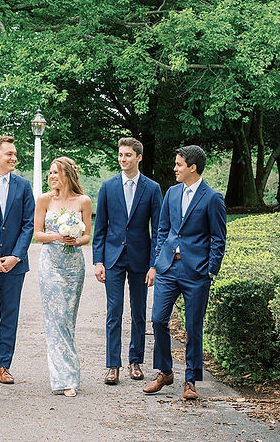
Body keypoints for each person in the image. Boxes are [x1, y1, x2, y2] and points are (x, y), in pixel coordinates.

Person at [143, 145, 226, 400]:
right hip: (168, 268)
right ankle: (165, 372)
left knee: (193, 327)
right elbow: (162, 231)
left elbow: (218, 238)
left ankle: (190, 380)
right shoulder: (172, 192)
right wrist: (157, 263)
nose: (174, 169)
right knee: (158, 320)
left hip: (196, 272)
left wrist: (210, 271)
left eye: (179, 164)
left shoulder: (212, 198)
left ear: (193, 167)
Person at [93, 137, 162, 385]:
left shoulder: (152, 188)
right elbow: (99, 227)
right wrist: (98, 261)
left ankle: (135, 361)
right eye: (121, 155)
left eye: (128, 155)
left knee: (138, 312)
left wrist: (155, 264)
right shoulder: (108, 187)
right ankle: (113, 366)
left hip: (141, 259)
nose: (123, 159)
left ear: (139, 157)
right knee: (114, 311)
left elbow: (159, 230)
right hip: (112, 258)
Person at [33, 157, 92, 396]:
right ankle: (64, 378)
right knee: (54, 320)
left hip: (73, 265)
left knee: (67, 319)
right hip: (50, 264)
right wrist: (57, 235)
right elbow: (38, 234)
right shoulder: (44, 200)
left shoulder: (83, 201)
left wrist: (75, 239)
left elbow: (87, 235)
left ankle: (69, 373)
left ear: (67, 174)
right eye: (50, 172)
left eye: (56, 172)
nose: (52, 176)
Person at [0, 135, 35, 385]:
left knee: (10, 315)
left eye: (15, 154)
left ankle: (3, 365)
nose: (14, 158)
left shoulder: (23, 185)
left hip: (15, 264)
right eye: (9, 154)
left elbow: (29, 223)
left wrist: (16, 256)